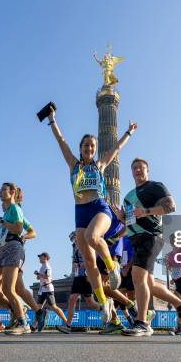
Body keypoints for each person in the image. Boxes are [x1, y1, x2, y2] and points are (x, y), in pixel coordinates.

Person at [47, 109, 136, 316]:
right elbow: (61, 141)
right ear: (80, 148)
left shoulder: (100, 165)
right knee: (88, 263)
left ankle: (112, 267)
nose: (89, 148)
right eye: (86, 145)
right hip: (80, 212)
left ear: (95, 150)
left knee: (93, 236)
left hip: (99, 208)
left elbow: (116, 148)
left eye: (92, 146)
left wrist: (128, 132)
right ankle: (104, 304)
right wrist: (52, 121)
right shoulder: (74, 165)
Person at [116, 157, 181, 337]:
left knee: (137, 276)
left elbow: (170, 206)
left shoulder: (155, 186)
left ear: (147, 170)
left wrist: (146, 211)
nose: (137, 170)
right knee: (149, 283)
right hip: (136, 239)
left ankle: (142, 322)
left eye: (141, 168)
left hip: (152, 236)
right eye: (134, 168)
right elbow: (130, 221)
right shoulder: (128, 196)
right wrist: (121, 217)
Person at [0, 182, 29, 335]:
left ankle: (23, 323)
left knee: (9, 289)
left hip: (14, 249)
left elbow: (18, 229)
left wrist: (1, 221)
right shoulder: (8, 210)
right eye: (0, 190)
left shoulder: (15, 208)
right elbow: (3, 237)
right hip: (3, 250)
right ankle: (15, 309)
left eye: (3, 190)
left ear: (12, 192)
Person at [57, 234, 101, 334]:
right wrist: (75, 265)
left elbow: (93, 262)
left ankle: (104, 309)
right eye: (74, 241)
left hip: (87, 278)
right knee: (72, 299)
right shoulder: (77, 252)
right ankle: (68, 325)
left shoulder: (89, 249)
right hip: (78, 278)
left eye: (76, 240)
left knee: (91, 302)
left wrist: (83, 265)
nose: (75, 242)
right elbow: (75, 265)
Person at [34, 252, 68, 330]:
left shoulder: (47, 266)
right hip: (42, 289)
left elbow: (47, 276)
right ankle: (33, 326)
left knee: (53, 306)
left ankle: (67, 323)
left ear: (45, 257)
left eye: (40, 257)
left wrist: (38, 273)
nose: (39, 258)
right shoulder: (42, 266)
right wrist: (38, 276)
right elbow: (42, 277)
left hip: (48, 289)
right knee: (37, 308)